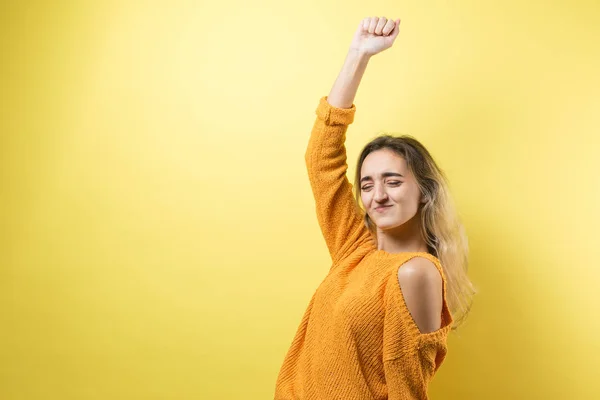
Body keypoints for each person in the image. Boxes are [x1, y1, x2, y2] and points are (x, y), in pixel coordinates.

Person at [274, 16, 477, 400]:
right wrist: (358, 55)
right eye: (367, 184)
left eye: (393, 181)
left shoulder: (416, 272)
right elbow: (321, 160)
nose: (377, 195)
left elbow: (407, 389)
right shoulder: (355, 251)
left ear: (424, 192)